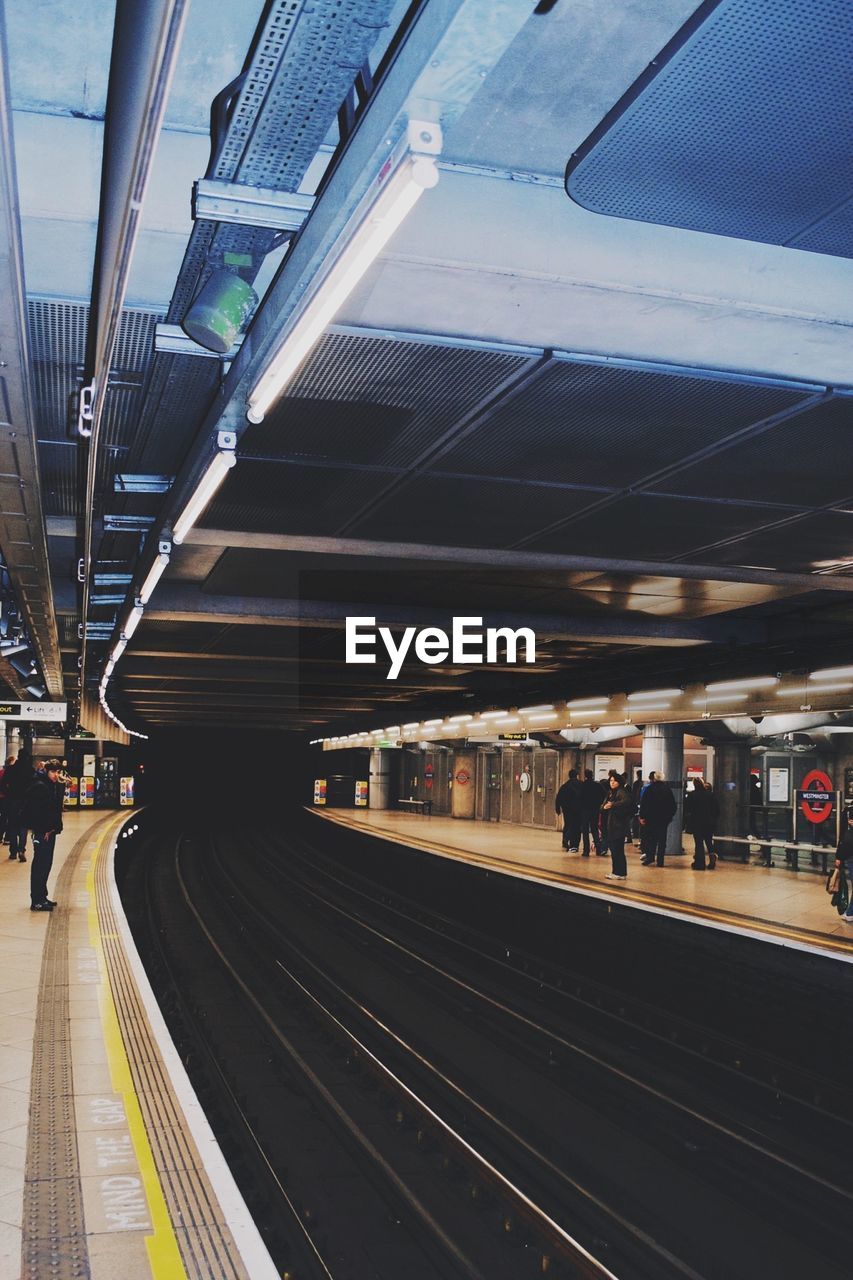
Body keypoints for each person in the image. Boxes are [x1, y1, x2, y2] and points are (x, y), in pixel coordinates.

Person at [21, 758, 64, 912]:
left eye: (58, 772)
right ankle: (37, 901)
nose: (56, 775)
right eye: (53, 772)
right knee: (40, 865)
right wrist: (44, 829)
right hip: (42, 833)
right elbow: (37, 812)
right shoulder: (40, 787)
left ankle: (42, 896)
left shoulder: (50, 785)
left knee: (46, 865)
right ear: (46, 771)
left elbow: (54, 808)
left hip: (48, 831)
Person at [639, 774, 677, 866]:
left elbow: (644, 803)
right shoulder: (667, 789)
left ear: (654, 778)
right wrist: (669, 817)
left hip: (651, 818)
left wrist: (642, 816)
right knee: (662, 840)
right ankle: (660, 861)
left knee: (651, 839)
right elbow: (673, 806)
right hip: (663, 819)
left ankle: (650, 857)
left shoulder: (649, 789)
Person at [602, 774, 633, 880]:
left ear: (619, 782)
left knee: (617, 850)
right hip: (613, 826)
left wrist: (612, 805)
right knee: (615, 850)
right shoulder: (611, 793)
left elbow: (626, 802)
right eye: (611, 780)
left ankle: (619, 872)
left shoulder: (621, 792)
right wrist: (605, 806)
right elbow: (603, 805)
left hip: (618, 826)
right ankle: (618, 872)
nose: (612, 782)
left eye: (615, 781)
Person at [4, 749, 34, 863]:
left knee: (12, 826)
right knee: (23, 827)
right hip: (26, 802)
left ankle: (13, 852)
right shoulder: (30, 770)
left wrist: (8, 793)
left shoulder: (10, 769)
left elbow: (2, 784)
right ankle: (21, 850)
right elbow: (34, 785)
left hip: (12, 801)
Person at [685, 778, 718, 870]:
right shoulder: (710, 795)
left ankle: (700, 863)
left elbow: (687, 809)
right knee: (708, 841)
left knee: (699, 843)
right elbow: (716, 810)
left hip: (696, 822)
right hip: (709, 823)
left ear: (694, 785)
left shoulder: (692, 795)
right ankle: (712, 857)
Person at [555, 768, 583, 852]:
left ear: (569, 776)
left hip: (567, 810)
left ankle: (565, 840)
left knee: (568, 824)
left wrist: (558, 809)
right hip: (579, 809)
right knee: (577, 827)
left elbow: (558, 798)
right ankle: (575, 844)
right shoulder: (581, 784)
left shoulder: (565, 786)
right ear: (577, 775)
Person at [580, 770, 605, 855]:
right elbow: (604, 795)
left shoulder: (582, 785)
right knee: (594, 829)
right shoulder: (597, 785)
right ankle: (598, 849)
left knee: (585, 830)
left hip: (585, 810)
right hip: (595, 810)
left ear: (585, 776)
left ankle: (586, 850)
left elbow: (579, 797)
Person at [835, 809, 853, 924]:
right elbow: (844, 843)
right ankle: (850, 913)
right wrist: (839, 857)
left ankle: (850, 913)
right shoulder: (849, 833)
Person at [0, 755, 14, 848]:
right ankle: (7, 838)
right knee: (9, 818)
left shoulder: (1, 771)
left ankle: (1, 836)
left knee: (3, 817)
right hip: (8, 798)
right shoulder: (10, 772)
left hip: (2, 797)